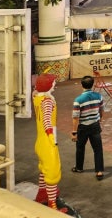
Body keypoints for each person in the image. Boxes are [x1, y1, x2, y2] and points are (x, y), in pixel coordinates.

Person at [32, 73, 66, 211]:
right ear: (48, 85)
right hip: (48, 142)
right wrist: (51, 136)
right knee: (52, 174)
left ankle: (42, 195)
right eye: (53, 82)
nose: (54, 84)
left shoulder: (37, 97)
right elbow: (47, 120)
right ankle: (52, 205)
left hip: (40, 141)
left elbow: (35, 91)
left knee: (44, 170)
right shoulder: (47, 101)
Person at [71, 75, 105, 180]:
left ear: (82, 85)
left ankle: (79, 167)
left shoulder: (78, 100)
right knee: (98, 149)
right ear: (93, 85)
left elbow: (76, 118)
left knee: (80, 148)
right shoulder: (99, 96)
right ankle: (99, 171)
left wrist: (74, 132)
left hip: (83, 127)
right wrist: (100, 119)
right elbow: (101, 110)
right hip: (95, 125)